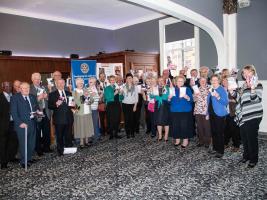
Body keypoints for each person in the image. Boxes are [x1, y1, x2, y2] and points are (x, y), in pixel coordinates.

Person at [230, 65, 263, 168]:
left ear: (252, 72)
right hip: (243, 115)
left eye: (247, 72)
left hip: (253, 115)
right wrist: (232, 93)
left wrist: (252, 88)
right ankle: (246, 156)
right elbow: (239, 98)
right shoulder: (243, 85)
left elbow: (256, 99)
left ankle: (254, 159)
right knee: (244, 138)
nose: (245, 74)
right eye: (243, 73)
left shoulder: (258, 84)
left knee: (252, 138)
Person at [10, 82, 39, 168]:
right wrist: (19, 123)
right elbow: (13, 112)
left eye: (28, 88)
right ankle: (23, 161)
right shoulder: (15, 98)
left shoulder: (32, 97)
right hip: (22, 125)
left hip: (32, 122)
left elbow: (36, 107)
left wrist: (38, 112)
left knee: (31, 143)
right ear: (20, 89)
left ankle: (29, 158)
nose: (26, 90)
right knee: (23, 144)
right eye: (24, 88)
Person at [48, 79, 74, 156]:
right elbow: (50, 106)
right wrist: (56, 104)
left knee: (68, 135)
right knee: (59, 136)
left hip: (69, 118)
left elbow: (72, 105)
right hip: (59, 119)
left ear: (64, 84)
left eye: (62, 83)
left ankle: (69, 149)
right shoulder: (52, 94)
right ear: (56, 85)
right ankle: (60, 150)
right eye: (59, 83)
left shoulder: (68, 93)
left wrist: (76, 108)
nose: (61, 84)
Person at [30, 72, 52, 156]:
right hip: (37, 112)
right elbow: (29, 101)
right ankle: (38, 149)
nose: (37, 80)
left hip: (45, 111)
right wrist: (38, 98)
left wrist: (46, 97)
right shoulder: (30, 88)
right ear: (32, 79)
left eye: (39, 79)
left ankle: (47, 147)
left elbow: (49, 99)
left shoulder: (44, 87)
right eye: (35, 79)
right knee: (38, 131)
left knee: (47, 130)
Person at [207, 74, 229, 158]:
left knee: (219, 133)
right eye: (212, 80)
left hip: (219, 114)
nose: (214, 81)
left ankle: (220, 151)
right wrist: (207, 113)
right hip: (212, 113)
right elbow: (208, 102)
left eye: (216, 80)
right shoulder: (211, 89)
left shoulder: (221, 89)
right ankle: (215, 148)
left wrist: (218, 97)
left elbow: (226, 102)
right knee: (214, 132)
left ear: (219, 81)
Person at [170, 76, 194, 148]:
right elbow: (169, 102)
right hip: (175, 110)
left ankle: (185, 140)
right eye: (178, 81)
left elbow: (191, 100)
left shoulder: (187, 89)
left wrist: (188, 97)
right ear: (176, 82)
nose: (180, 82)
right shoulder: (172, 89)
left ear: (184, 82)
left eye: (181, 81)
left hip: (185, 110)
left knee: (184, 126)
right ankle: (177, 139)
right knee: (175, 125)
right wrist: (169, 98)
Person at [0, 82, 18, 169]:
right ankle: (3, 162)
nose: (8, 88)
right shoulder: (0, 97)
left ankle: (11, 157)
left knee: (13, 142)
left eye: (10, 86)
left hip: (14, 123)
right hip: (3, 125)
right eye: (6, 86)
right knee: (3, 143)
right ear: (2, 87)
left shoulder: (14, 96)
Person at [72, 78, 94, 148]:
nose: (81, 84)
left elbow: (91, 101)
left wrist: (89, 96)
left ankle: (87, 141)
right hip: (79, 113)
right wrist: (84, 96)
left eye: (82, 83)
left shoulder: (86, 90)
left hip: (88, 111)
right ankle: (81, 143)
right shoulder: (74, 92)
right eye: (79, 83)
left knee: (87, 127)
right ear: (76, 84)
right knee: (81, 127)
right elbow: (75, 103)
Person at [150, 76, 170, 142]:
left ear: (164, 81)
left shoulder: (167, 88)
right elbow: (151, 96)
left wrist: (157, 97)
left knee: (166, 121)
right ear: (157, 82)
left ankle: (166, 136)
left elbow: (166, 97)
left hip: (165, 106)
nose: (160, 82)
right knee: (158, 121)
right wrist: (154, 94)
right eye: (159, 81)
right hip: (157, 106)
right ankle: (160, 135)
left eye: (162, 80)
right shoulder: (155, 88)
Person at [193, 77, 211, 148]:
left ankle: (207, 142)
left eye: (204, 80)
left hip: (206, 110)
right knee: (199, 127)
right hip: (198, 110)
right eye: (201, 81)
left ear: (206, 81)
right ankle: (201, 141)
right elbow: (193, 100)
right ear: (199, 82)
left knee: (207, 127)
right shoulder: (196, 89)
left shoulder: (210, 88)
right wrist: (195, 96)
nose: (203, 82)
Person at [104, 75, 123, 139]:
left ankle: (116, 134)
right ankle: (111, 134)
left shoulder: (116, 87)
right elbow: (107, 98)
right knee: (110, 120)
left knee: (117, 120)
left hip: (117, 105)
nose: (112, 81)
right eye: (111, 80)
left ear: (115, 81)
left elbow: (121, 98)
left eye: (113, 80)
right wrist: (115, 93)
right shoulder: (107, 88)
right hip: (110, 106)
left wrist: (121, 94)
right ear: (109, 81)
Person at [121, 73, 138, 138]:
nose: (129, 79)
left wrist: (135, 106)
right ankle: (128, 133)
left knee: (132, 119)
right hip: (125, 104)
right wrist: (121, 93)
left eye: (130, 78)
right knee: (126, 119)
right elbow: (121, 95)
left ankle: (132, 132)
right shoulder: (123, 86)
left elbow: (136, 97)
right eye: (128, 78)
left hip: (132, 105)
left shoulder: (135, 87)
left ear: (132, 79)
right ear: (126, 79)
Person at [88, 77, 101, 142]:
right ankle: (91, 138)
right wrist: (91, 96)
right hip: (90, 110)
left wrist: (100, 96)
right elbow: (84, 102)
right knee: (90, 124)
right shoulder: (86, 89)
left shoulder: (95, 89)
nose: (92, 83)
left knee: (95, 123)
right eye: (91, 82)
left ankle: (96, 136)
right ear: (88, 82)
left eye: (94, 82)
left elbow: (98, 99)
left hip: (95, 109)